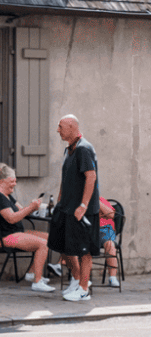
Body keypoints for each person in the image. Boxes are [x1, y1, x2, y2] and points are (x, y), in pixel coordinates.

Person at [50, 114, 100, 302]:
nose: (58, 130)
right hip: (67, 208)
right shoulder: (69, 150)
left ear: (71, 127)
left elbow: (91, 177)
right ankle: (77, 279)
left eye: (60, 126)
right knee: (64, 246)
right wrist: (61, 202)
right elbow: (65, 180)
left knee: (84, 251)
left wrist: (83, 205)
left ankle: (84, 289)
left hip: (82, 210)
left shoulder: (84, 149)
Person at [0, 164, 56, 292]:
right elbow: (11, 218)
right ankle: (37, 281)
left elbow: (21, 210)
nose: (15, 184)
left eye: (15, 181)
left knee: (50, 238)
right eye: (12, 181)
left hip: (14, 232)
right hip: (4, 237)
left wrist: (33, 207)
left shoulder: (7, 195)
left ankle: (31, 273)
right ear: (2, 182)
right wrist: (30, 208)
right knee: (43, 244)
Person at [98, 197, 121, 287]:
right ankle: (78, 278)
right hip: (89, 230)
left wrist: (97, 202)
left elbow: (111, 215)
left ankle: (112, 278)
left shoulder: (101, 200)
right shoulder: (81, 201)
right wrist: (102, 214)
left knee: (110, 244)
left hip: (105, 229)